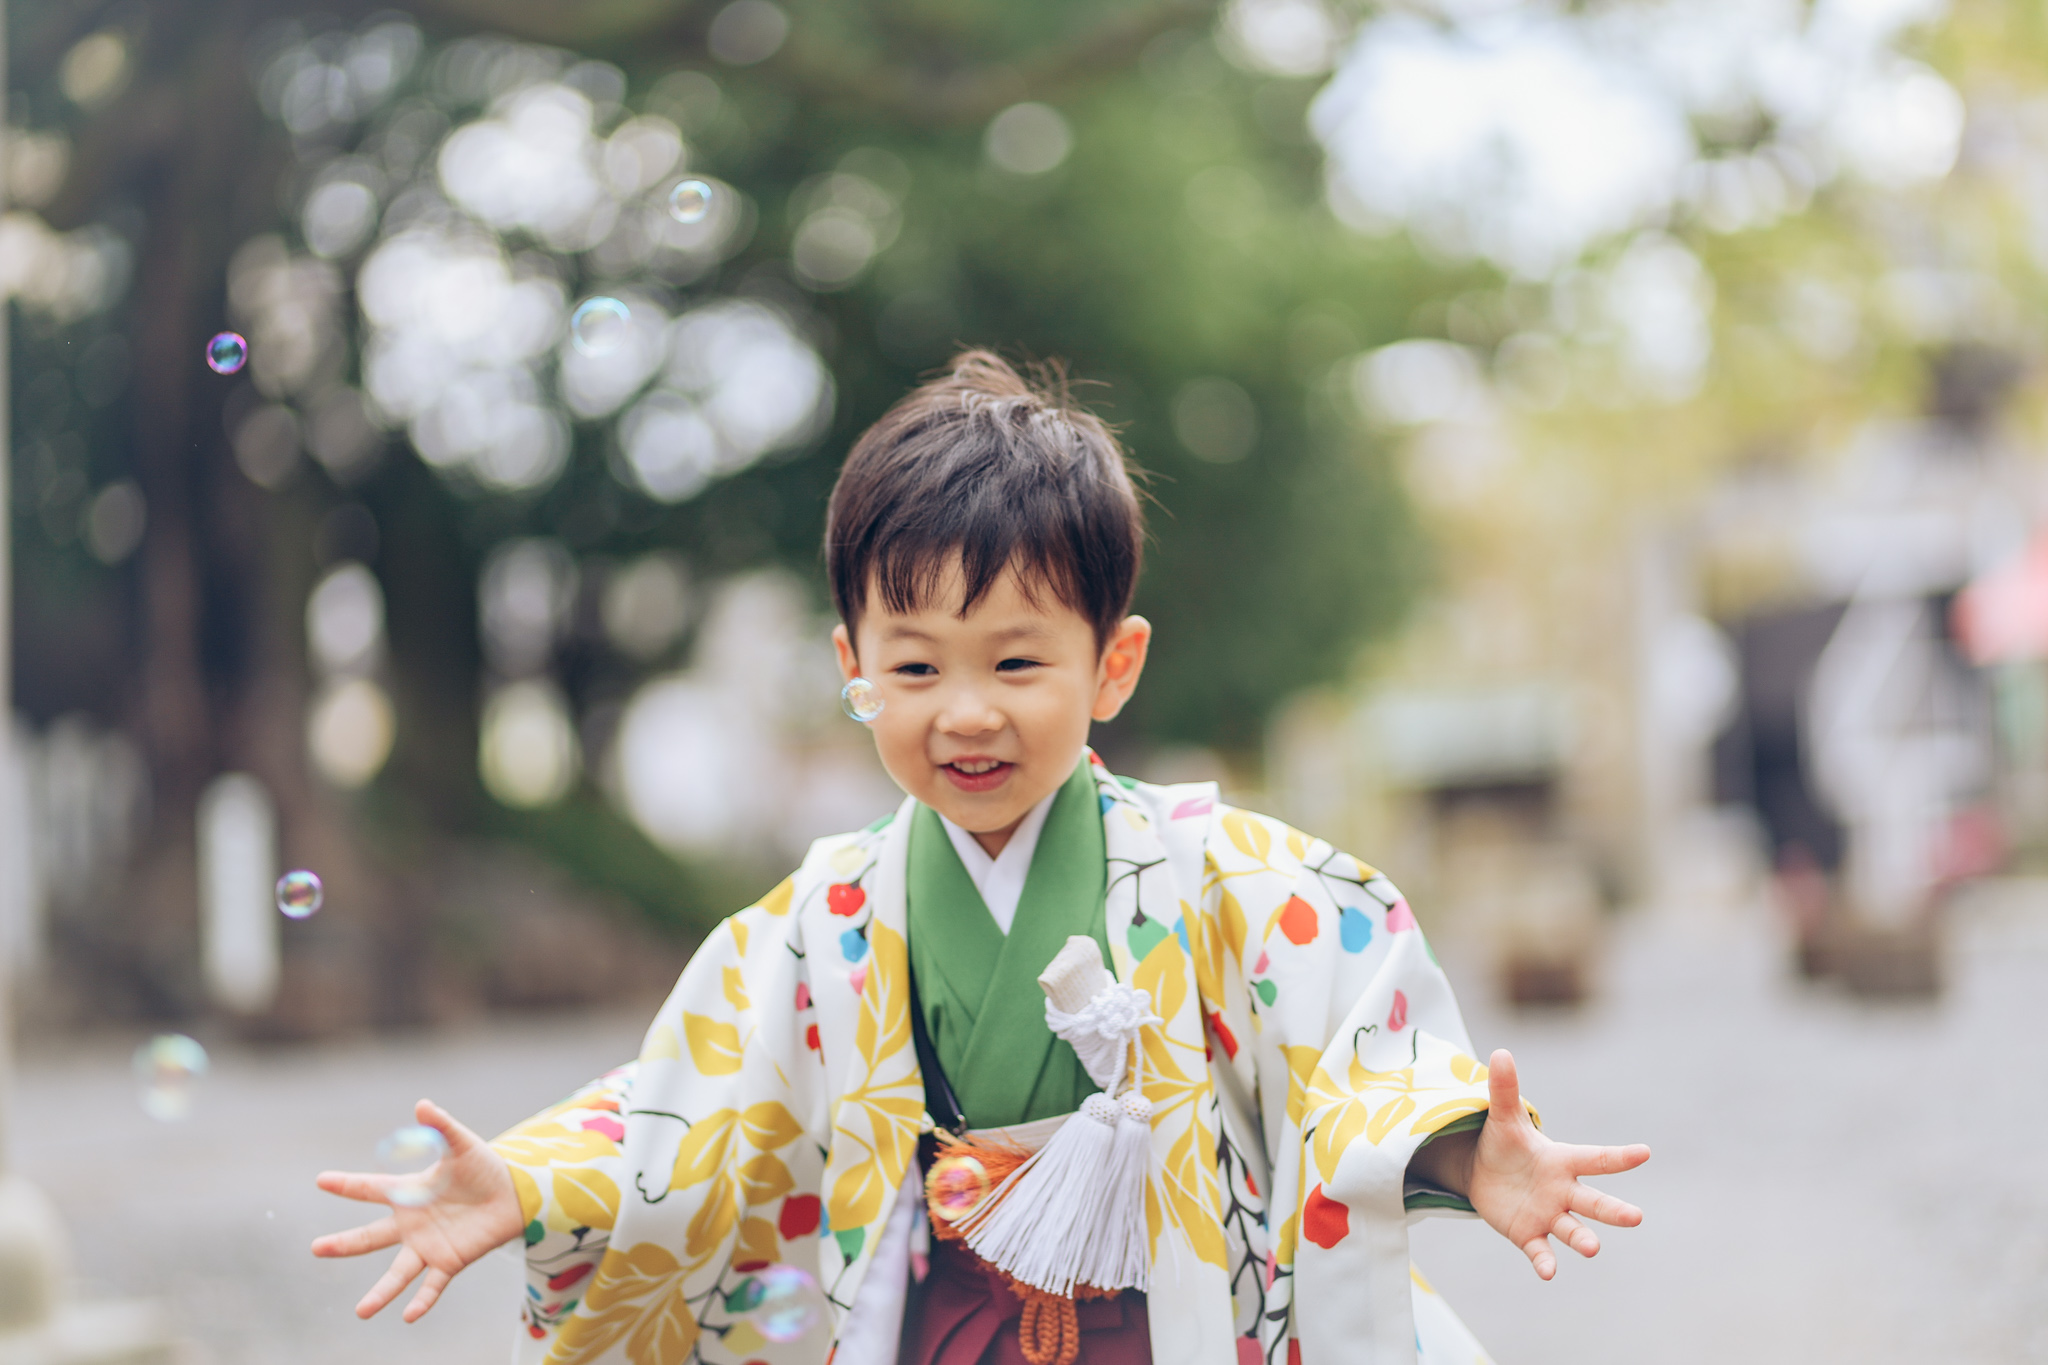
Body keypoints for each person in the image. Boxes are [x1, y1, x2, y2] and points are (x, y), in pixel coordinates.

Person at [312, 351, 1649, 1365]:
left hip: (1159, 1324)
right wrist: (532, 1179)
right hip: (940, 1329)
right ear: (851, 667)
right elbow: (696, 1109)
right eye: (915, 667)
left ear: (1112, 664)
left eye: (1016, 662)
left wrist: (1464, 1152)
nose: (965, 712)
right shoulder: (827, 916)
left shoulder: (1228, 879)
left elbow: (1352, 1066)